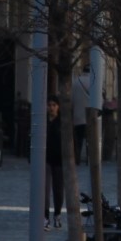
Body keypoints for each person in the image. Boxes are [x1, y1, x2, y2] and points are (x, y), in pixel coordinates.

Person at [43, 97, 66, 230]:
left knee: (58, 189)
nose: (51, 108)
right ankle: (45, 217)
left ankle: (57, 214)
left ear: (58, 107)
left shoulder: (62, 122)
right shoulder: (43, 121)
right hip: (45, 159)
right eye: (49, 105)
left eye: (54, 105)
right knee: (44, 190)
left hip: (59, 159)